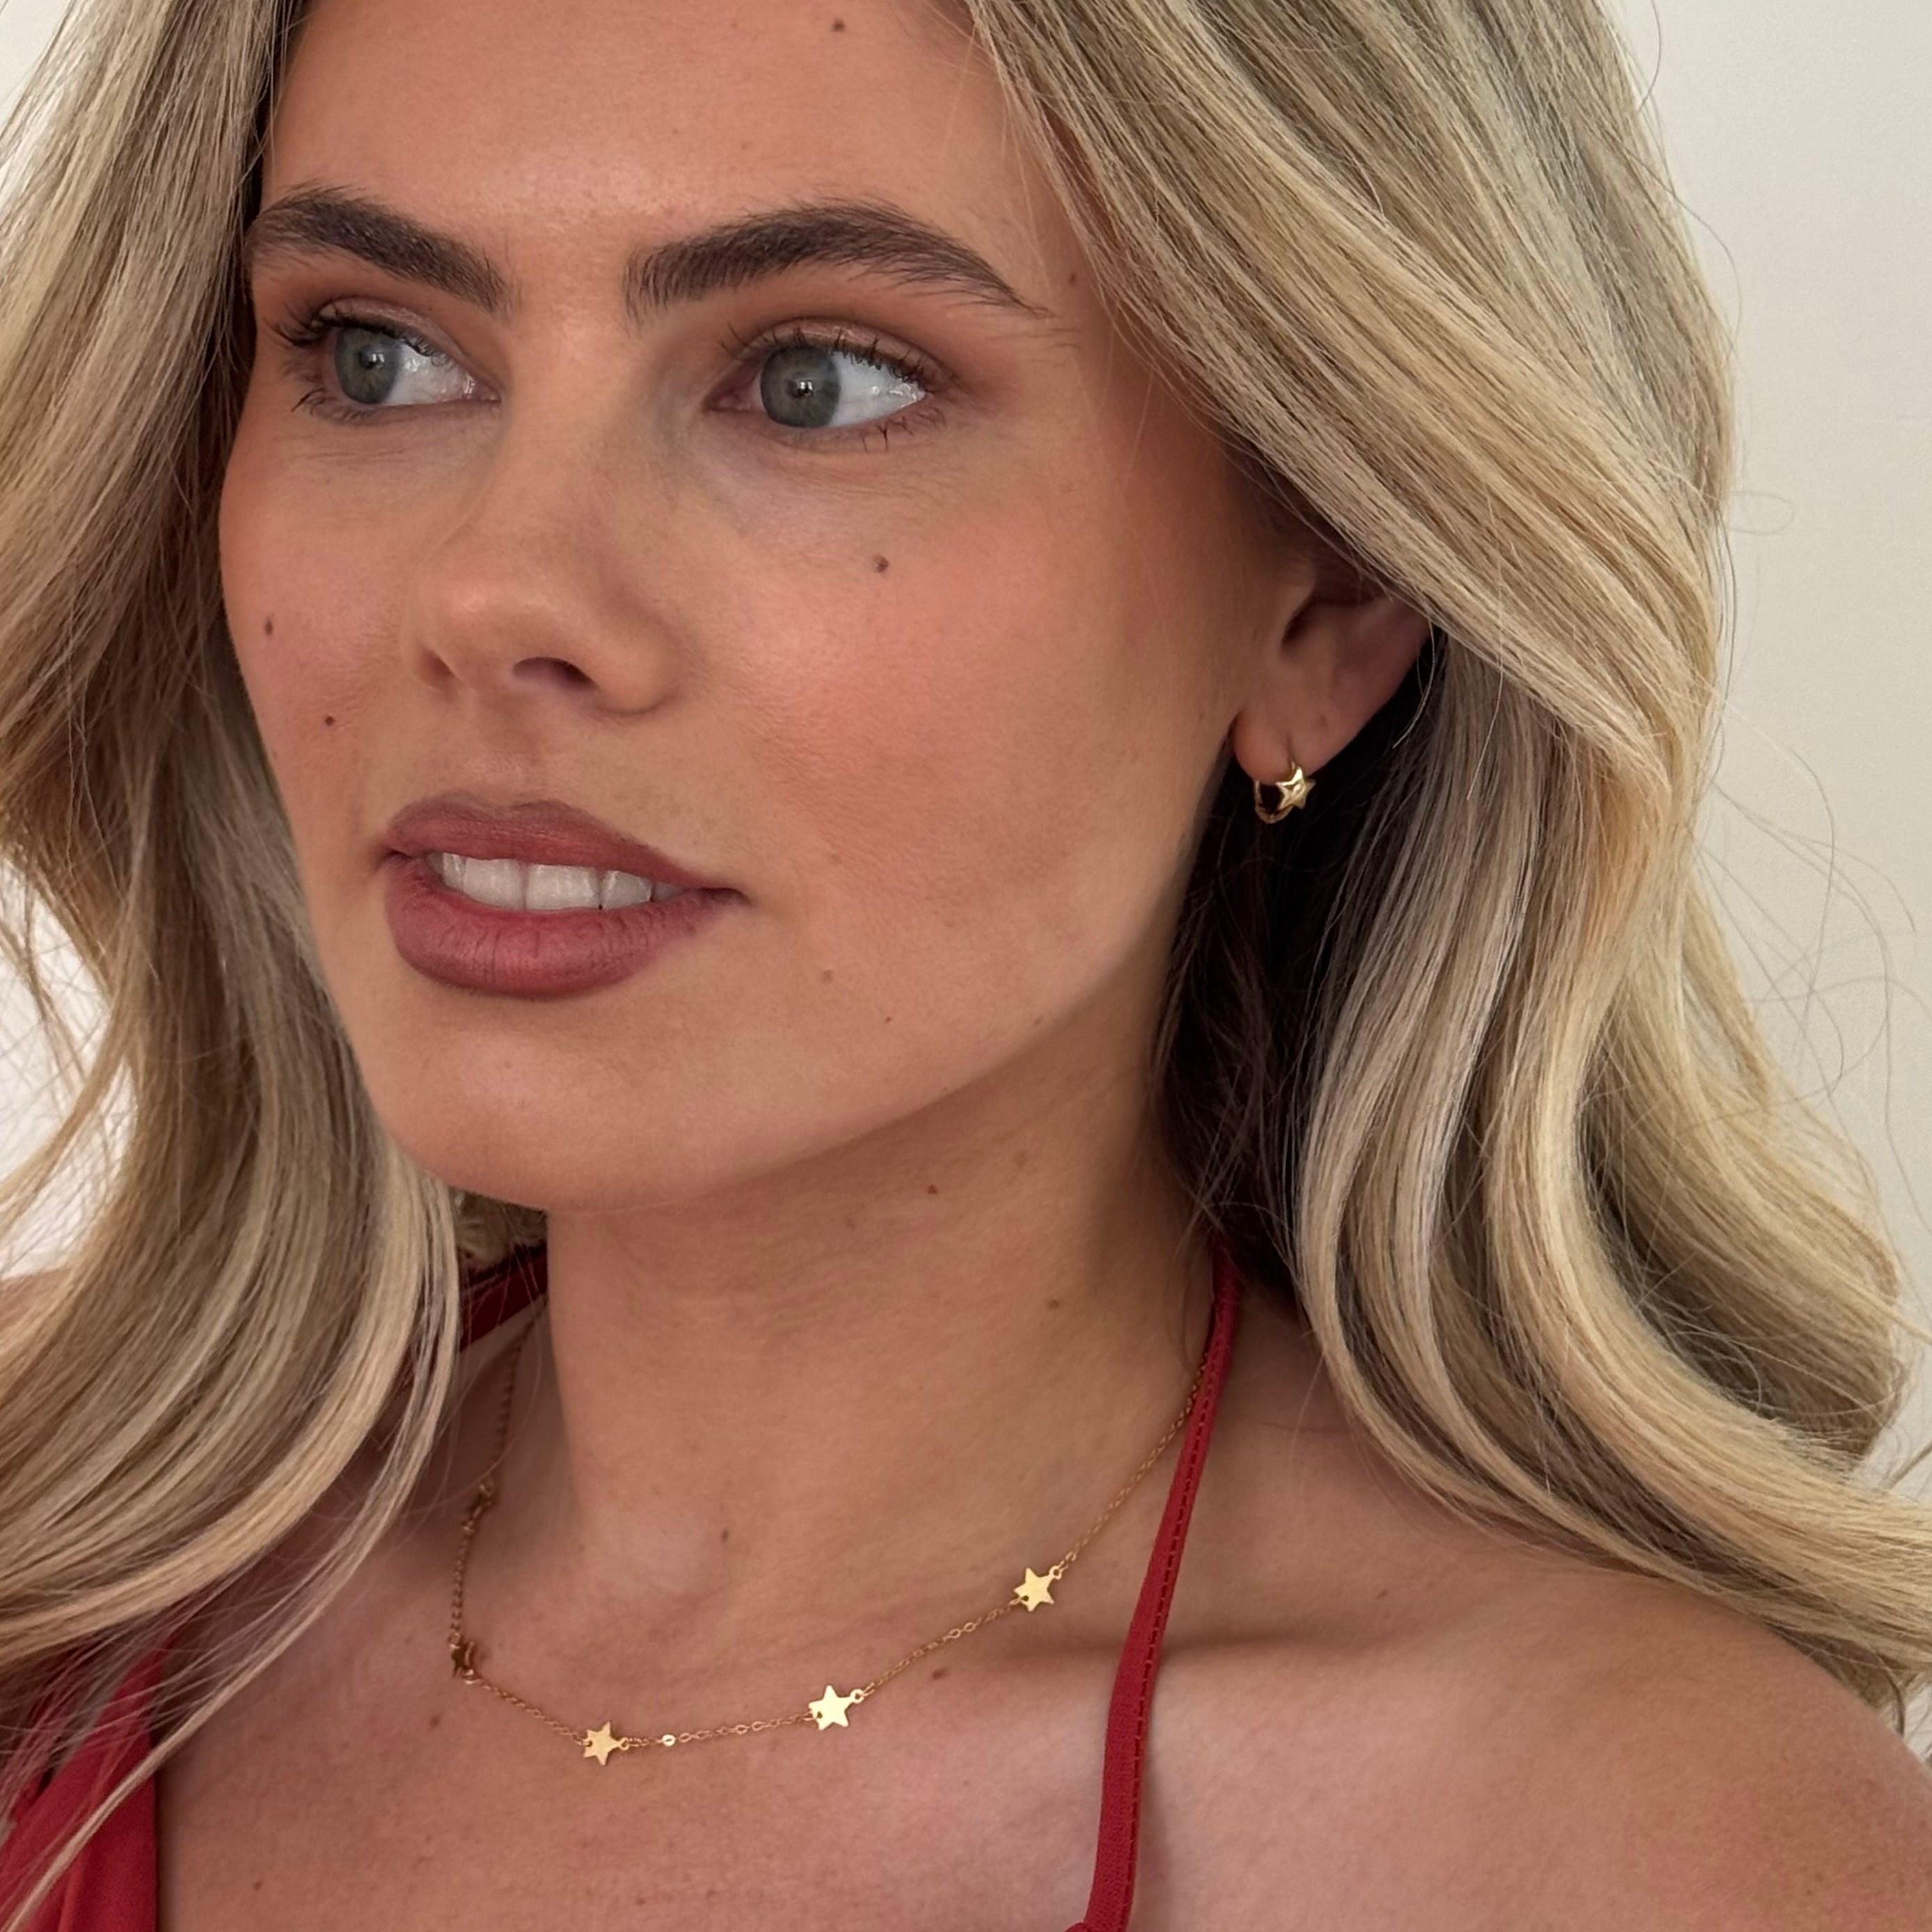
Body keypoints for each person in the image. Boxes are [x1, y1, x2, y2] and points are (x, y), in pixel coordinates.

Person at [0, 0, 1929, 1924]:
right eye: (379, 352)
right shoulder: (51, 1549)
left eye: (818, 381)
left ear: (1335, 589)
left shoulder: (1664, 1860)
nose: (497, 594)